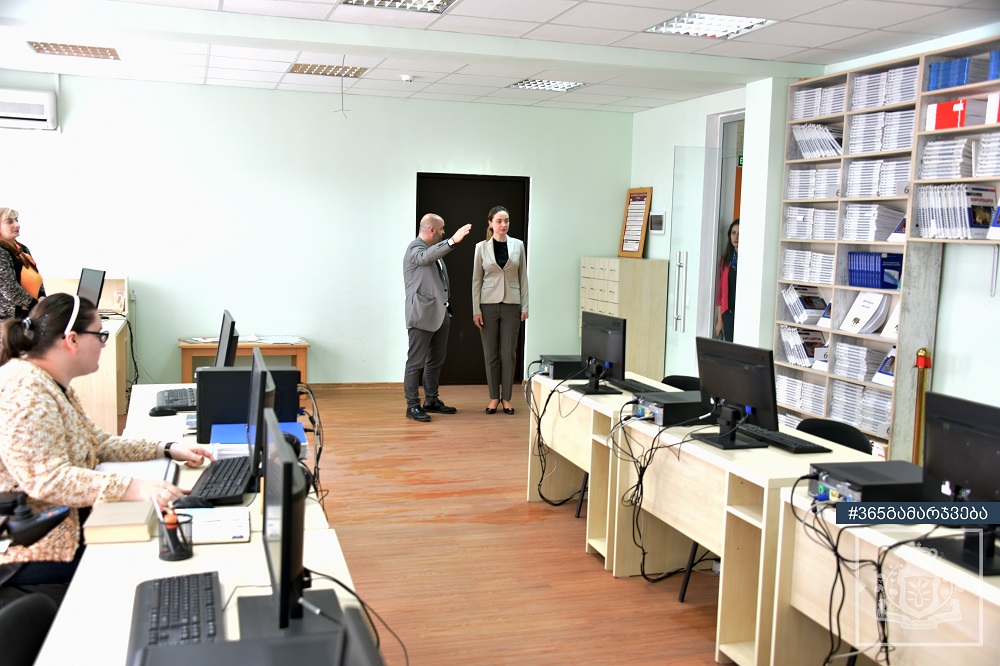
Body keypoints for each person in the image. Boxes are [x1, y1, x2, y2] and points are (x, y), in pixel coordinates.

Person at [0, 294, 213, 607]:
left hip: (65, 523)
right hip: (35, 547)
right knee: (148, 554)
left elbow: (96, 443)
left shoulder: (48, 382)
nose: (104, 343)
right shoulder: (26, 393)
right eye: (99, 335)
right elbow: (47, 480)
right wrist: (135, 488)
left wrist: (166, 448)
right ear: (72, 339)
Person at [403, 214, 472, 422]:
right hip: (421, 315)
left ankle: (431, 400)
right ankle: (412, 406)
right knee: (415, 363)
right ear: (432, 230)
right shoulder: (415, 248)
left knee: (435, 361)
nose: (443, 232)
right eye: (441, 229)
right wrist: (452, 241)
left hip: (440, 314)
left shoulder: (433, 250)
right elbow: (425, 257)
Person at [472, 206, 528, 415]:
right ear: (490, 223)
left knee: (508, 354)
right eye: (499, 221)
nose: (503, 225)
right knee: (491, 354)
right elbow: (476, 280)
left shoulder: (518, 245)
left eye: (506, 221)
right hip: (487, 305)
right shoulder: (481, 247)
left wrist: (525, 305)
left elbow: (523, 278)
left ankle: (507, 398)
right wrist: (476, 309)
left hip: (512, 305)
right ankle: (494, 397)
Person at [0, 208, 45, 321]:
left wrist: (42, 297)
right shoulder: (1, 252)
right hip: (10, 322)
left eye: (16, 220)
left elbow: (36, 276)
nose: (17, 225)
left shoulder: (23, 249)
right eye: (9, 222)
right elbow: (9, 290)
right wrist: (36, 305)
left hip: (31, 314)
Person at [715, 219, 739, 342]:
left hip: (744, 313)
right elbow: (720, 294)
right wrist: (720, 320)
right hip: (728, 314)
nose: (736, 237)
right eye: (733, 233)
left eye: (740, 233)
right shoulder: (725, 260)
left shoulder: (750, 259)